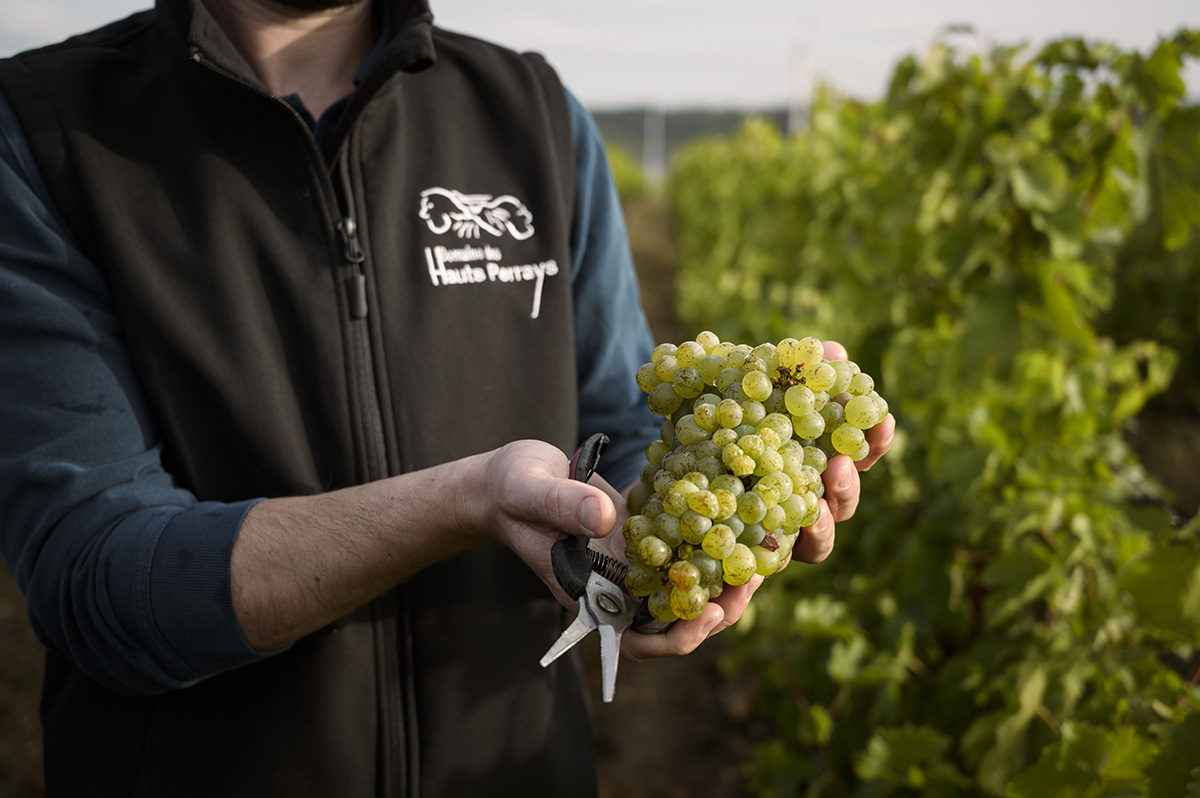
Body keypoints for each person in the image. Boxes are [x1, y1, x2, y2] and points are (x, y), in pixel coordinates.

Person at [0, 0, 895, 795]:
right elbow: (96, 577)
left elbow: (622, 430)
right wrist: (461, 501)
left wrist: (655, 556)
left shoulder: (533, 113)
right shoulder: (43, 130)